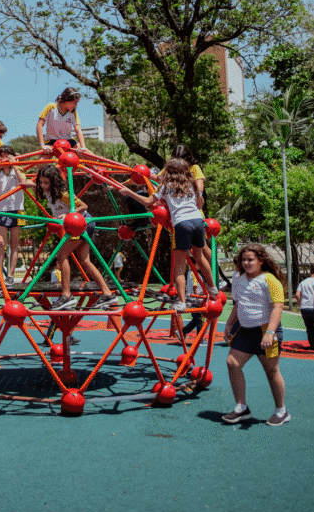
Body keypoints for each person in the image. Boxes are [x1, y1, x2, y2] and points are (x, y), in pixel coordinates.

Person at [121, 158, 216, 312]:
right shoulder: (191, 184)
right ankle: (213, 288)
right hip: (198, 222)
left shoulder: (165, 186)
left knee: (179, 266)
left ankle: (182, 302)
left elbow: (148, 201)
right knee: (199, 256)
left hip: (182, 223)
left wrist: (130, 193)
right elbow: (200, 203)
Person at [221, 244, 289, 427]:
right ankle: (241, 407)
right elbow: (238, 304)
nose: (246, 263)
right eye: (243, 259)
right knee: (232, 363)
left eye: (250, 259)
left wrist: (270, 333)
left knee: (272, 371)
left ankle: (281, 411)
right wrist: (229, 323)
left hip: (265, 331)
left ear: (261, 260)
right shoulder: (239, 279)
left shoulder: (269, 280)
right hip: (245, 331)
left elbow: (278, 307)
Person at [35, 164, 118, 311]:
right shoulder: (48, 192)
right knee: (85, 261)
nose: (43, 186)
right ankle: (107, 293)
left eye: (46, 183)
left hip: (81, 224)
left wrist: (67, 215)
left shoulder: (63, 194)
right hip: (81, 225)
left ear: (54, 182)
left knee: (62, 255)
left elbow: (84, 206)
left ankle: (66, 295)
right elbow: (32, 186)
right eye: (41, 182)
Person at [0, 145, 34, 288]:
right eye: (1, 155)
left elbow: (23, 182)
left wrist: (14, 164)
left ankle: (10, 276)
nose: (4, 158)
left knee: (14, 243)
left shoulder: (17, 169)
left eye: (7, 155)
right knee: (0, 243)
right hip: (1, 210)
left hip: (17, 209)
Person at [37, 87, 92, 154]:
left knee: (90, 156)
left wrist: (83, 147)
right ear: (66, 100)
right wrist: (42, 145)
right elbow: (39, 125)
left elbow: (78, 130)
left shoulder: (73, 113)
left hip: (68, 141)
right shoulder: (51, 107)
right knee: (42, 160)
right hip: (51, 142)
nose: (76, 105)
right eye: (75, 102)